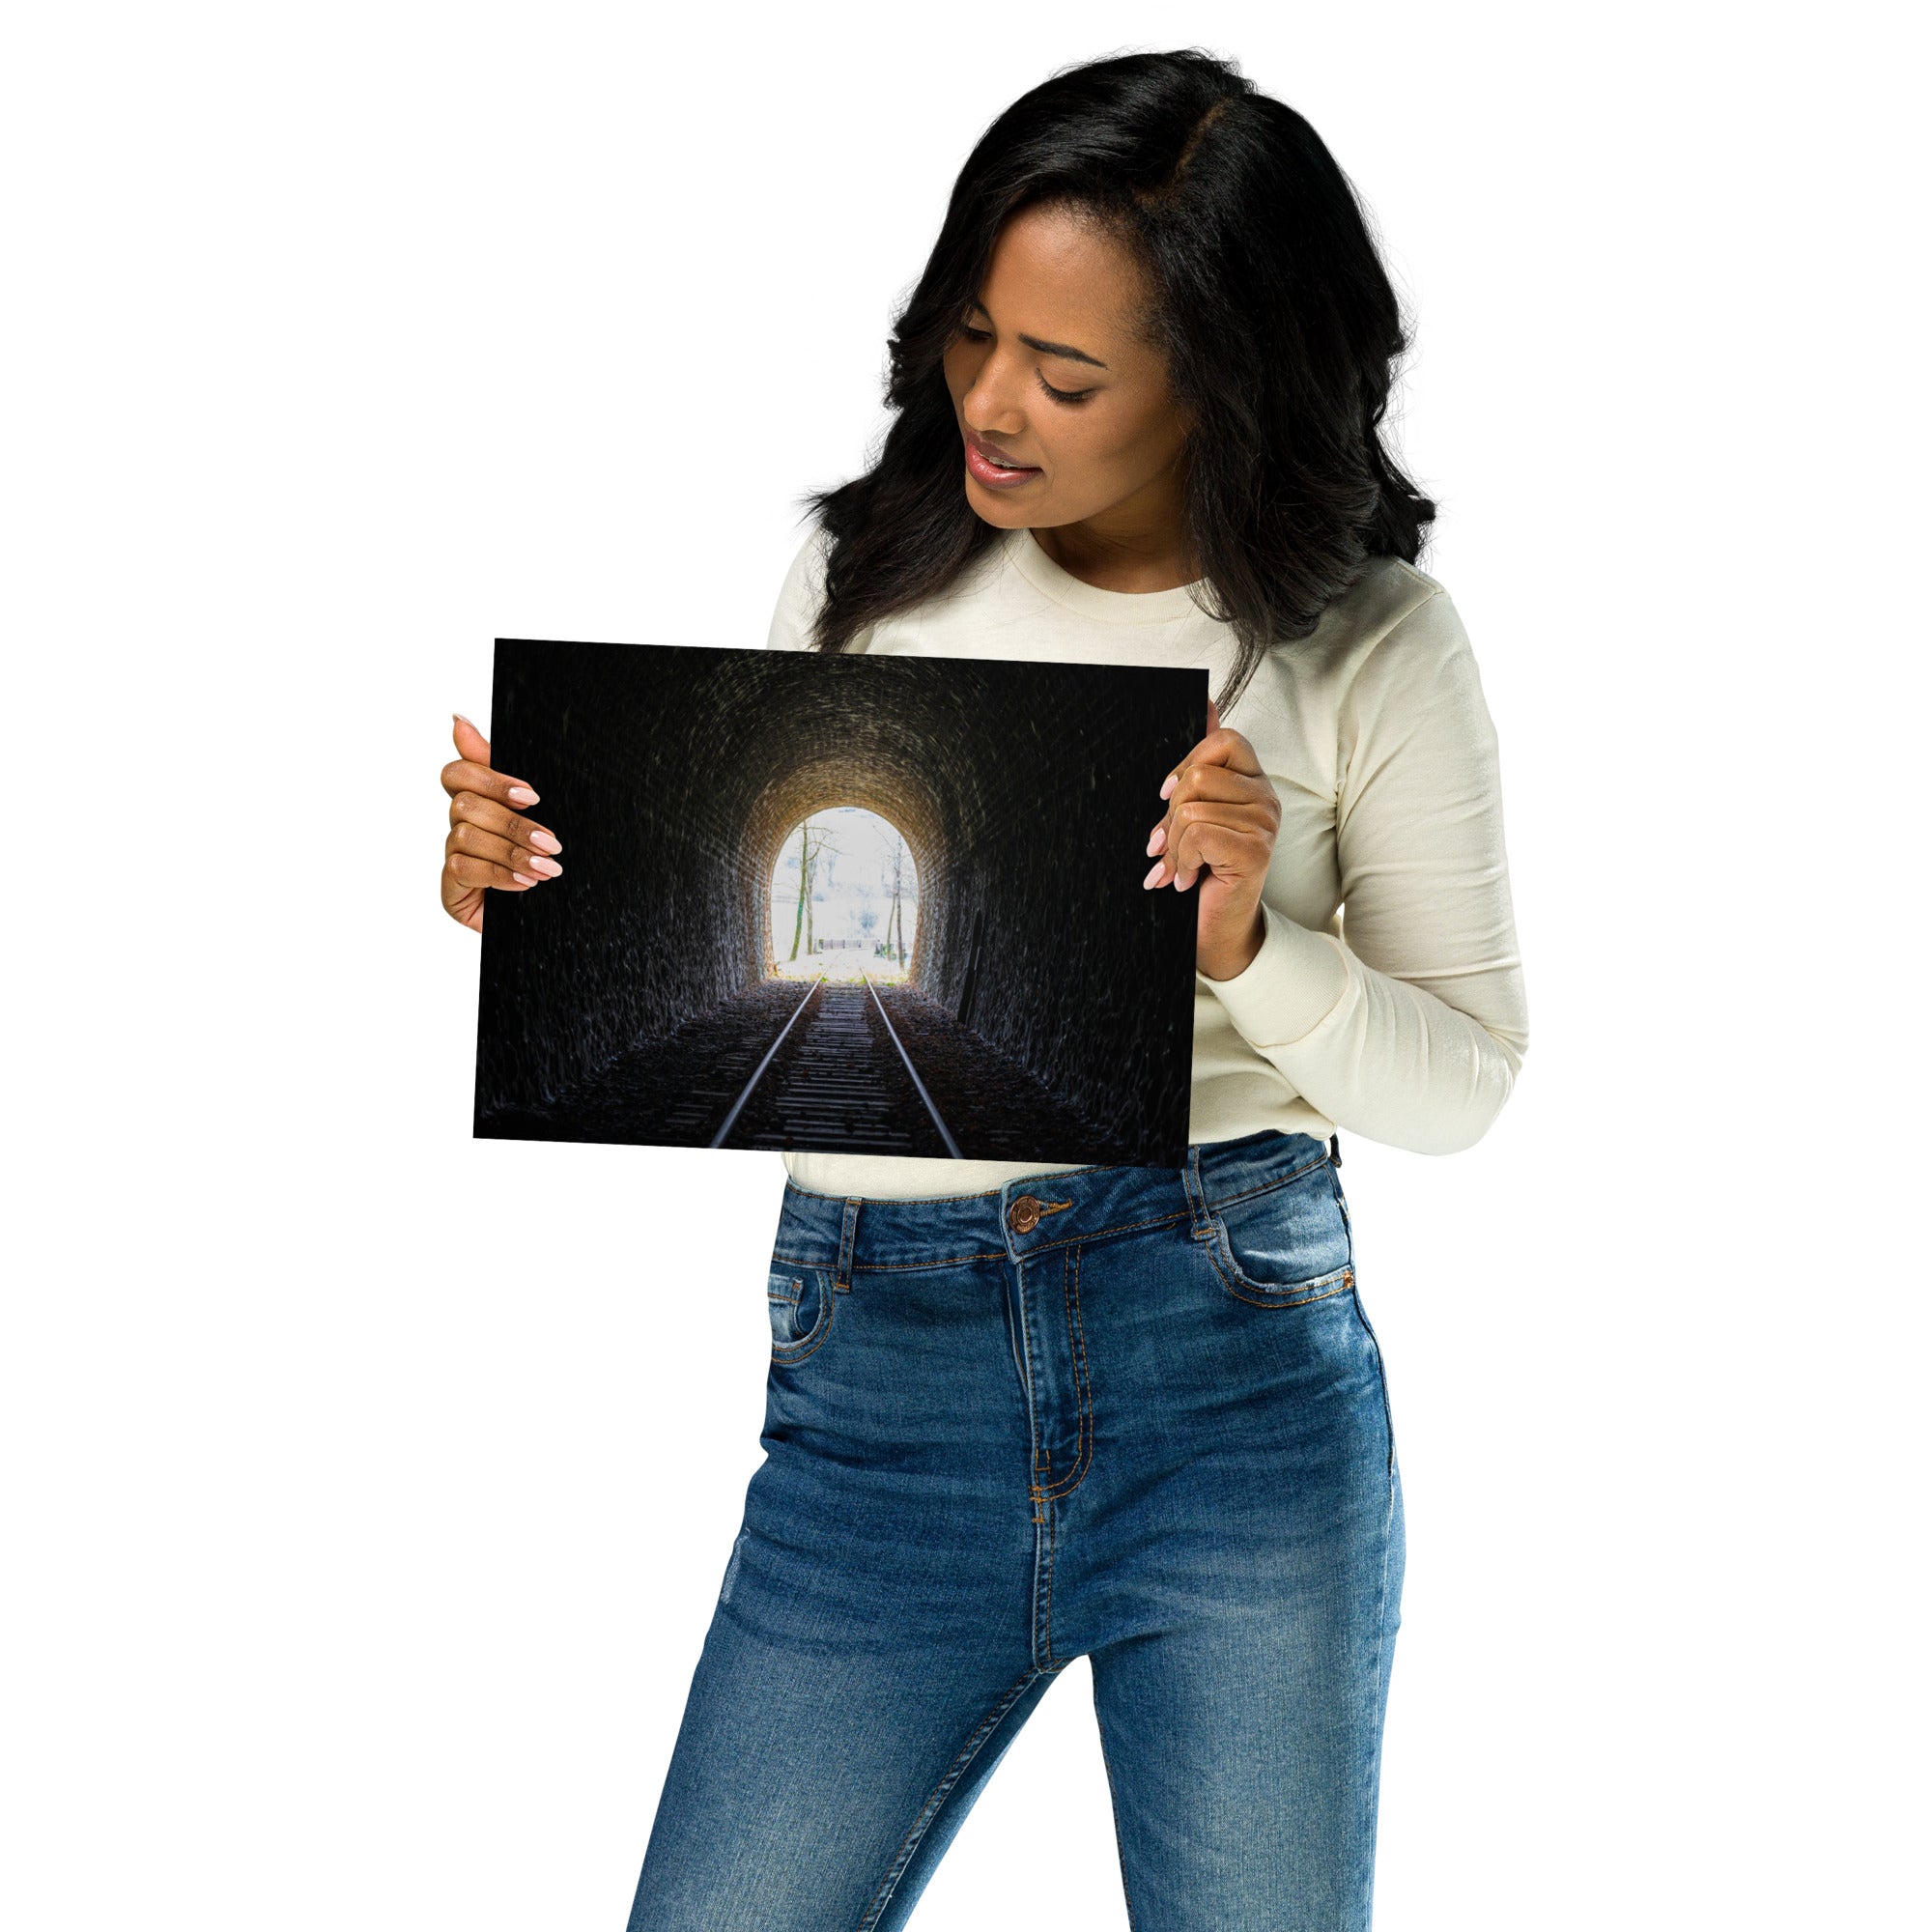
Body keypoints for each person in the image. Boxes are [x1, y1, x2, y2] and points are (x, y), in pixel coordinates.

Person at [440, 48, 1528, 1931]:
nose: (989, 404)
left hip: (1230, 1375)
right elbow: (768, 993)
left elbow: (1463, 1086)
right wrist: (536, 904)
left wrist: (1250, 945)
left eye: (1067, 371)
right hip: (875, 1391)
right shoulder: (863, 575)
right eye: (969, 335)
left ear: (1222, 386)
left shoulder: (1368, 642)